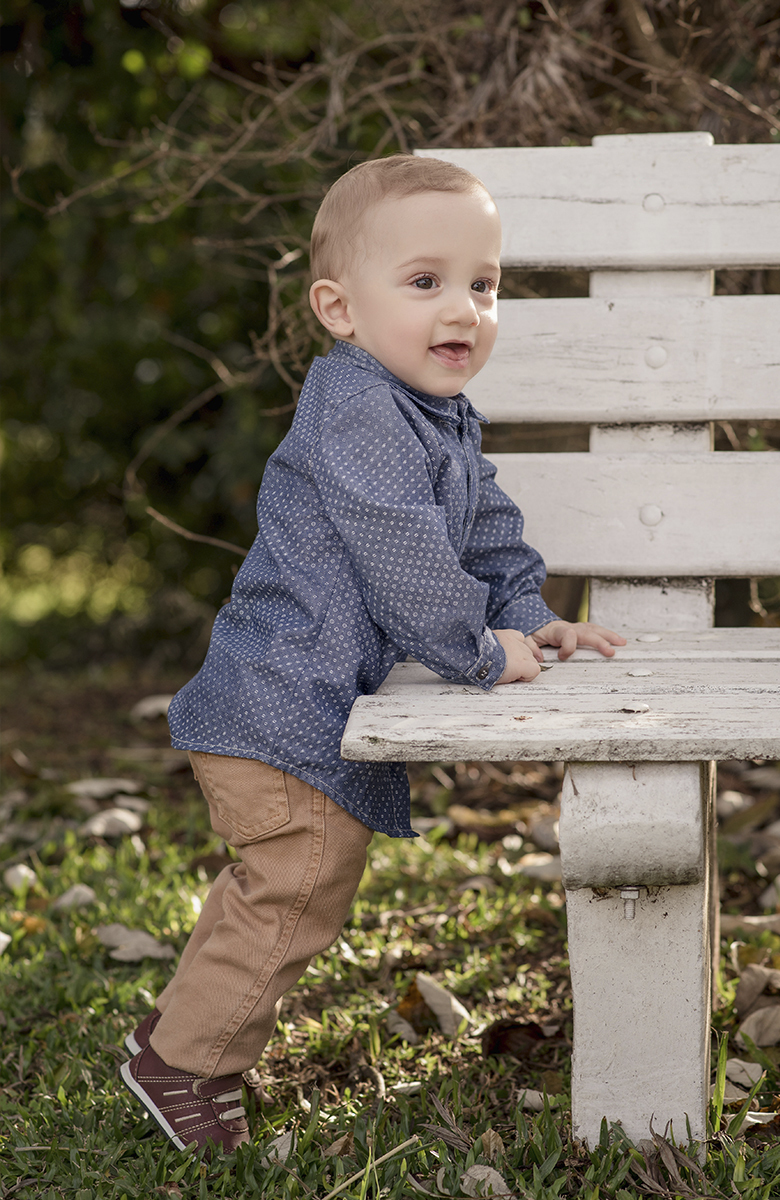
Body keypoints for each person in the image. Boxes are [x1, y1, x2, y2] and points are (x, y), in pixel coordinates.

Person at [119, 154, 625, 1154]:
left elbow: (480, 531)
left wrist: (531, 611)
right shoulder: (355, 407)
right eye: (425, 281)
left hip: (298, 708)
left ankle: (179, 1034)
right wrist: (477, 650)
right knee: (298, 886)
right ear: (339, 310)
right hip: (274, 708)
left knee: (289, 884)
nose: (464, 309)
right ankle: (184, 1064)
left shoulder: (434, 411)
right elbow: (400, 547)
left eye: (483, 285)